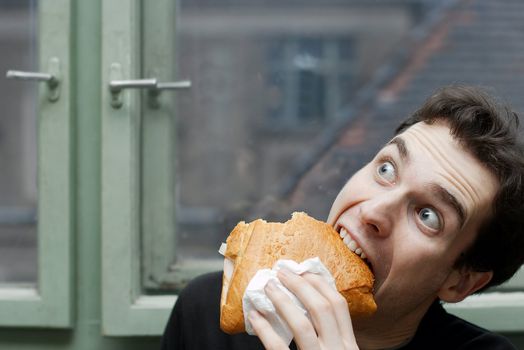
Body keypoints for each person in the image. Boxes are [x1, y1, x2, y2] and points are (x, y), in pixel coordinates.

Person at [160, 85, 524, 349]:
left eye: (427, 215)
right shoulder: (210, 313)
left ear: (459, 282)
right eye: (386, 170)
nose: (372, 211)